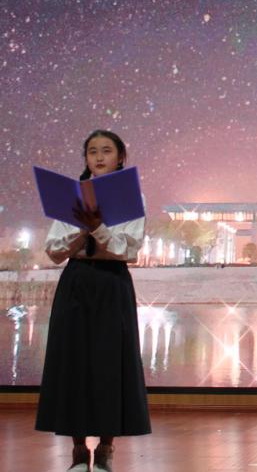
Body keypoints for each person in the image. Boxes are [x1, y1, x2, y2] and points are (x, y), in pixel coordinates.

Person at [35, 130, 150, 472]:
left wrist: (98, 227)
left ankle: (105, 450)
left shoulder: (131, 197)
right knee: (72, 362)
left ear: (121, 157)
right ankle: (77, 451)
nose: (99, 157)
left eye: (107, 150)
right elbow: (54, 250)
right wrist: (82, 227)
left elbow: (128, 249)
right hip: (76, 281)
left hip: (111, 283)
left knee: (110, 363)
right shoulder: (69, 199)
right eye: (92, 151)